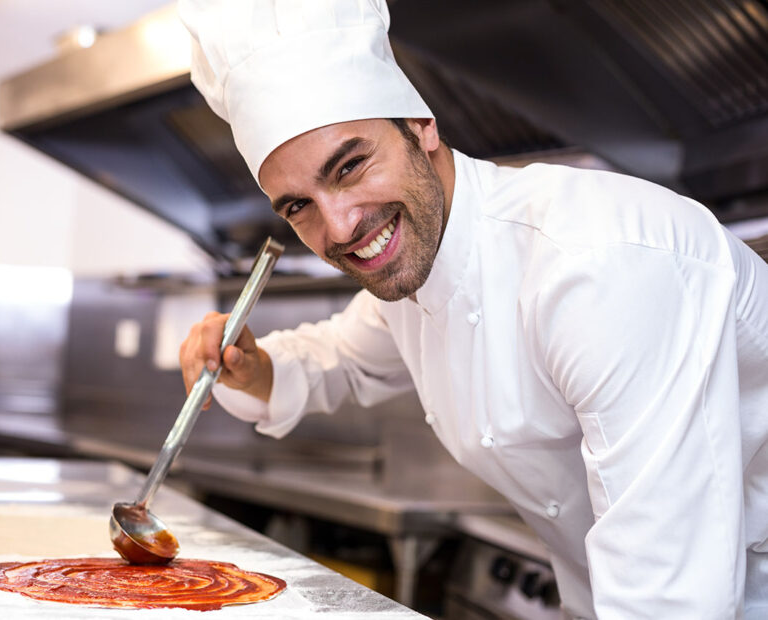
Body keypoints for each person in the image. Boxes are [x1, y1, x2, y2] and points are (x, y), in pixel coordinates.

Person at [177, 0, 768, 617]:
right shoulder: (419, 263)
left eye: (350, 166)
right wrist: (253, 367)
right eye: (298, 206)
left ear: (420, 125)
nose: (340, 225)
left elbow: (670, 598)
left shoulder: (597, 266)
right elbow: (344, 358)